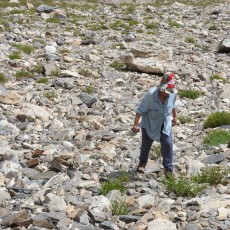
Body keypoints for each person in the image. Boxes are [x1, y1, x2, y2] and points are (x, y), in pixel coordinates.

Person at [132, 72, 178, 175]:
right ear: (161, 87)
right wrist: (135, 125)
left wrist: (175, 117)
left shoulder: (173, 93)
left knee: (167, 144)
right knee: (146, 145)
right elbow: (140, 110)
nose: (167, 93)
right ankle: (142, 163)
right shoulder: (151, 95)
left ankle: (168, 169)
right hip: (150, 124)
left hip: (165, 124)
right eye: (165, 90)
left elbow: (173, 105)